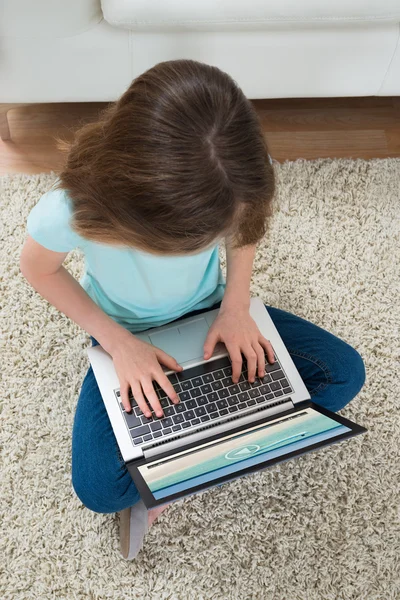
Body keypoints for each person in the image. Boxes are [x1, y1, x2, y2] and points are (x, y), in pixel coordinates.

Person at [20, 59, 366, 560]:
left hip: (212, 312)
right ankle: (205, 449)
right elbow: (39, 270)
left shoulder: (236, 177)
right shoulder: (69, 211)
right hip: (124, 333)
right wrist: (119, 344)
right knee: (99, 490)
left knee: (344, 374)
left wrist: (235, 305)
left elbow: (247, 231)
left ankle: (190, 460)